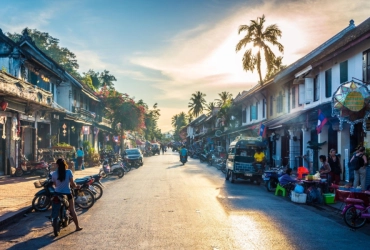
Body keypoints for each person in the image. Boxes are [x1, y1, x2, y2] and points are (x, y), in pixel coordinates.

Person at [51, 159, 83, 232]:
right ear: (65, 164)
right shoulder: (69, 172)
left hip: (57, 193)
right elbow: (72, 184)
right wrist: (76, 187)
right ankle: (77, 227)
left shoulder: (54, 174)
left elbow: (55, 184)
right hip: (67, 194)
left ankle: (54, 220)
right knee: (72, 210)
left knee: (54, 208)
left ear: (57, 165)